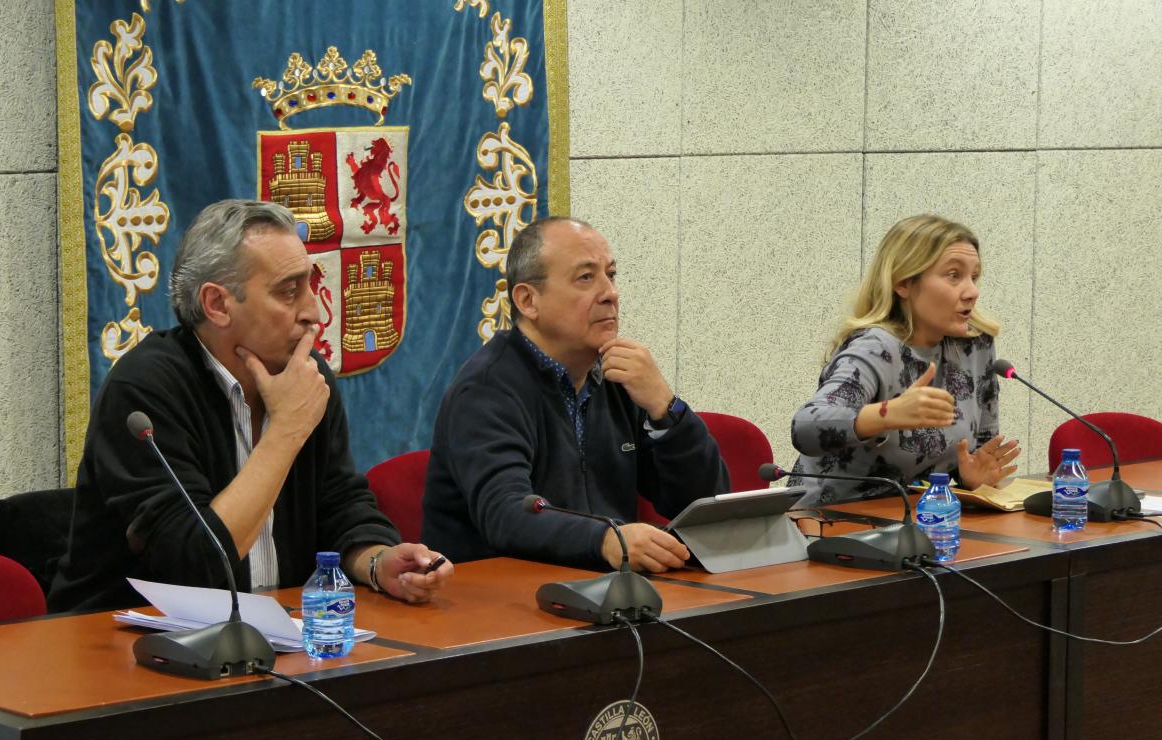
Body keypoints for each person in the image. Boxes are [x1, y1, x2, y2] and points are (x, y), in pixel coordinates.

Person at [49, 200, 452, 612]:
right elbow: (194, 562)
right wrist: (284, 432)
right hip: (125, 643)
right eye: (288, 291)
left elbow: (340, 504)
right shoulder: (144, 391)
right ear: (218, 304)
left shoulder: (303, 375)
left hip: (274, 634)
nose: (314, 312)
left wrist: (377, 562)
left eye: (310, 286)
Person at [421, 217, 728, 573]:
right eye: (586, 278)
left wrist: (667, 409)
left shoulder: (619, 376)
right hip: (503, 602)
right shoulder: (486, 389)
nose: (610, 293)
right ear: (528, 300)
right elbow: (505, 514)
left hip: (608, 593)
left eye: (610, 275)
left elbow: (703, 505)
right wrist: (605, 539)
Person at [788, 214, 1020, 507]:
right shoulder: (875, 347)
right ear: (903, 283)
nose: (972, 291)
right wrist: (886, 414)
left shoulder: (975, 346)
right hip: (827, 519)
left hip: (914, 517)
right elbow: (806, 426)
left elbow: (978, 450)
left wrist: (970, 478)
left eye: (974, 277)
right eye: (953, 275)